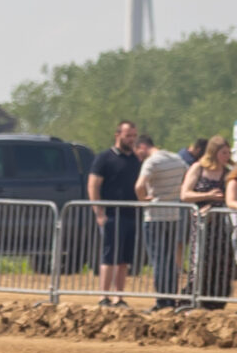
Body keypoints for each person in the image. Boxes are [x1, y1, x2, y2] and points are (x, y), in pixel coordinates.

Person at [88, 120, 142, 306]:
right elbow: (93, 185)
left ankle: (119, 296)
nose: (131, 139)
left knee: (124, 259)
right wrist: (99, 212)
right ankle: (103, 296)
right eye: (128, 136)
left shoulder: (136, 159)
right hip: (111, 215)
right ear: (117, 135)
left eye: (134, 136)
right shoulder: (104, 158)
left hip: (131, 214)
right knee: (109, 256)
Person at [137, 132, 188, 309]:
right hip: (173, 214)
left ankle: (161, 301)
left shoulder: (152, 162)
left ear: (142, 146)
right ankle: (171, 299)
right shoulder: (176, 158)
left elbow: (139, 186)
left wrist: (143, 201)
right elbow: (187, 175)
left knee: (158, 260)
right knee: (170, 260)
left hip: (155, 216)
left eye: (138, 151)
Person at [183, 137, 232, 309]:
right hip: (201, 224)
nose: (227, 156)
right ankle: (193, 300)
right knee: (200, 261)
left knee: (221, 262)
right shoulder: (198, 168)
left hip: (221, 225)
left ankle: (215, 303)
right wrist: (208, 196)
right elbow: (185, 194)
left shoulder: (227, 172)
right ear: (213, 152)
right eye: (223, 152)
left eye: (228, 153)